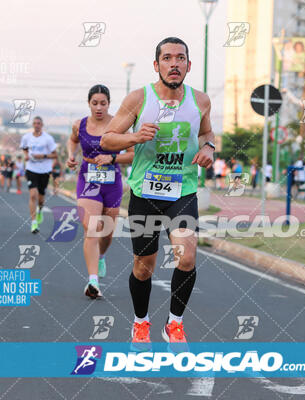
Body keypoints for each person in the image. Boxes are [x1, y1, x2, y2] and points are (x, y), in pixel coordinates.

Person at [100, 37, 214, 350]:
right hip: (146, 193)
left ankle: (174, 324)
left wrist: (209, 147)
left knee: (187, 256)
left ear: (189, 66)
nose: (174, 64)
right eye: (167, 58)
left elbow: (206, 132)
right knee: (144, 265)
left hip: (183, 190)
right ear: (157, 65)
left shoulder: (200, 100)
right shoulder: (139, 98)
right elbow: (108, 140)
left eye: (180, 58)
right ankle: (140, 323)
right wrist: (135, 136)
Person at [66, 84, 134, 299]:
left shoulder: (119, 126)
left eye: (103, 103)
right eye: (94, 103)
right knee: (91, 227)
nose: (99, 107)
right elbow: (73, 140)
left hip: (112, 180)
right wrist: (71, 155)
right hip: (88, 178)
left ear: (109, 104)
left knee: (107, 231)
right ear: (89, 103)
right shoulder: (80, 125)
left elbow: (133, 155)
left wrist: (112, 157)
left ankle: (101, 255)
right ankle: (93, 280)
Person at [20, 116, 58, 234]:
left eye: (39, 123)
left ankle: (40, 210)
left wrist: (43, 156)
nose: (37, 125)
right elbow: (25, 148)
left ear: (42, 125)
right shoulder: (26, 137)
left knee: (41, 199)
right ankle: (34, 222)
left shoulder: (48, 139)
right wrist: (26, 155)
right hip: (31, 169)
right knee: (33, 195)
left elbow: (55, 155)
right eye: (35, 123)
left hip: (44, 170)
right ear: (33, 125)